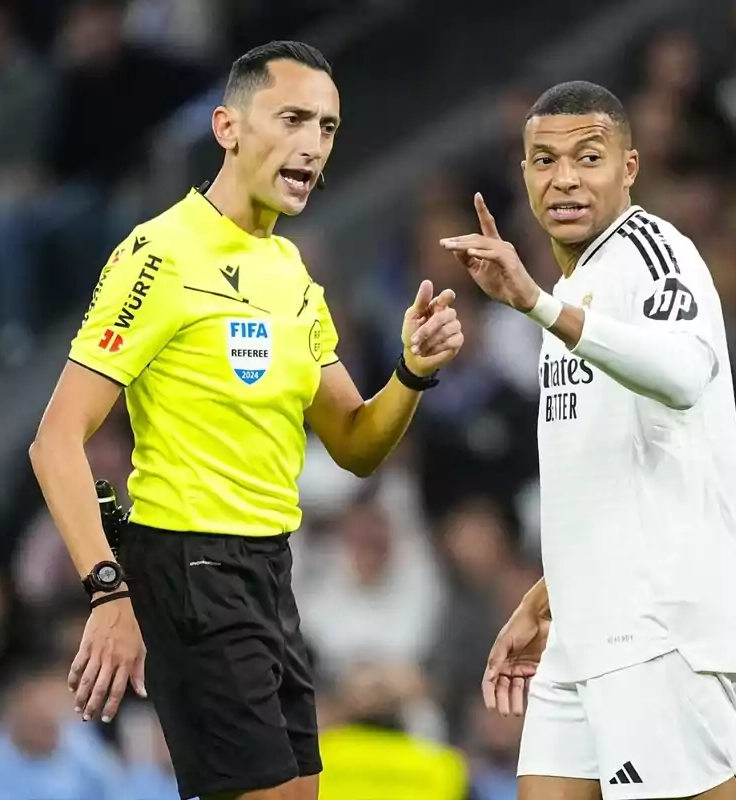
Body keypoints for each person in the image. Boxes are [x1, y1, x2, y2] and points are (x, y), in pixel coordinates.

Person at [29, 41, 465, 800]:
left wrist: (412, 372)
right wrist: (107, 590)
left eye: (327, 128)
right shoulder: (160, 254)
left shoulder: (289, 271)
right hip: (190, 565)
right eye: (292, 118)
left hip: (270, 568)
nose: (312, 144)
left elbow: (357, 442)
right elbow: (56, 439)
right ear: (227, 127)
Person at [440, 81, 736, 800]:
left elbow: (684, 375)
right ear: (523, 174)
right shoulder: (579, 284)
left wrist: (536, 304)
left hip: (661, 628)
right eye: (543, 160)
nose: (564, 178)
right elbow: (617, 475)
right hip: (587, 626)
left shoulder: (652, 252)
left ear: (629, 168)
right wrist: (551, 594)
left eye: (588, 157)